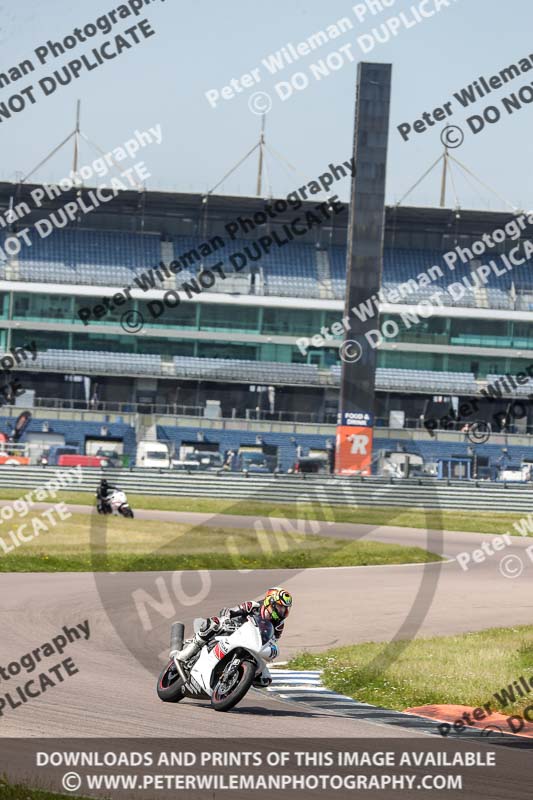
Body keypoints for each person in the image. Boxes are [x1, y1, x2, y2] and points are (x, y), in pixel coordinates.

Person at [176, 587, 293, 683]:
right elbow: (230, 611)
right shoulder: (254, 606)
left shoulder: (278, 624)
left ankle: (238, 678)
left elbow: (273, 640)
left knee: (265, 680)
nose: (283, 611)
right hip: (232, 629)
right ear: (271, 602)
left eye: (285, 608)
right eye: (280, 607)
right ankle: (188, 652)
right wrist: (226, 619)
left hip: (250, 642)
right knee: (214, 624)